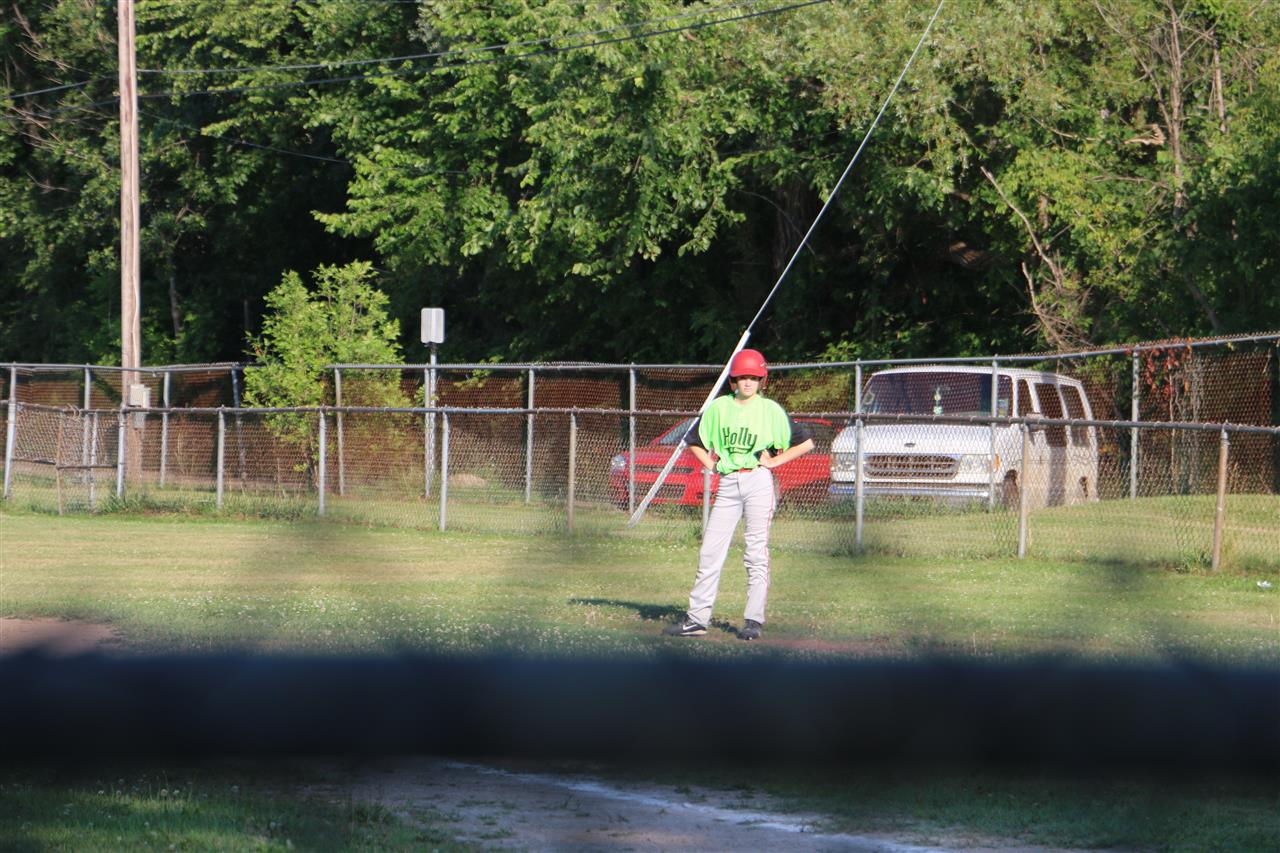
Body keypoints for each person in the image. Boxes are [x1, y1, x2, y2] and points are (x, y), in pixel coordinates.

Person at [662, 348, 814, 641]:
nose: (747, 382)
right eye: (742, 377)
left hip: (758, 482)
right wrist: (712, 466)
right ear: (733, 380)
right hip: (729, 483)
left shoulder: (770, 410)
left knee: (755, 552)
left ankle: (753, 621)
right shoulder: (720, 408)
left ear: (762, 380)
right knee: (710, 551)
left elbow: (805, 443)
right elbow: (693, 440)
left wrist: (774, 462)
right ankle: (697, 619)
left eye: (754, 377)